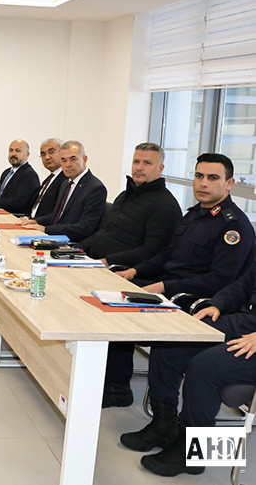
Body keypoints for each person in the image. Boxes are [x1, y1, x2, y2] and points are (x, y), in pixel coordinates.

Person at [105, 153, 255, 408]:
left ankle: (134, 397)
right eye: (199, 176)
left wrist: (163, 286)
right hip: (172, 288)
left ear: (229, 184)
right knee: (111, 292)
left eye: (213, 178)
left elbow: (219, 281)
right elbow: (167, 255)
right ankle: (115, 384)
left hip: (192, 298)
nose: (203, 183)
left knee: (125, 310)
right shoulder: (195, 214)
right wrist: (134, 271)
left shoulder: (234, 227)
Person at [119, 260, 256, 477]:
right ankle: (164, 424)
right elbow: (245, 284)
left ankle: (195, 454)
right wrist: (217, 304)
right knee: (172, 341)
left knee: (204, 367)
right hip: (245, 322)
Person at [78, 143, 181, 267]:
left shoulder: (165, 205)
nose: (139, 168)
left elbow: (151, 252)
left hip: (119, 269)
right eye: (136, 162)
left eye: (147, 163)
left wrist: (106, 261)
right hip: (93, 260)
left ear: (160, 169)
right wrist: (76, 250)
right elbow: (105, 232)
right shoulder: (124, 195)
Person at [19, 140, 106, 242]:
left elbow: (85, 227)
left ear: (84, 159)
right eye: (63, 160)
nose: (68, 164)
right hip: (54, 238)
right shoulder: (65, 184)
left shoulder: (95, 188)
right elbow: (57, 215)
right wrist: (35, 221)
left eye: (73, 159)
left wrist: (46, 229)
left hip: (71, 243)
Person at [0, 139, 39, 215]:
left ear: (27, 155)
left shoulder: (29, 175)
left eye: (18, 151)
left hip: (13, 216)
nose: (13, 154)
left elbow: (18, 203)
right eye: (11, 150)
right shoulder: (6, 172)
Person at [27, 138, 67, 220]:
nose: (47, 157)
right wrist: (26, 217)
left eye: (51, 152)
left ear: (63, 153)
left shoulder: (66, 179)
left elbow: (58, 213)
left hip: (44, 225)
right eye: (43, 154)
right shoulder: (48, 179)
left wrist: (35, 221)